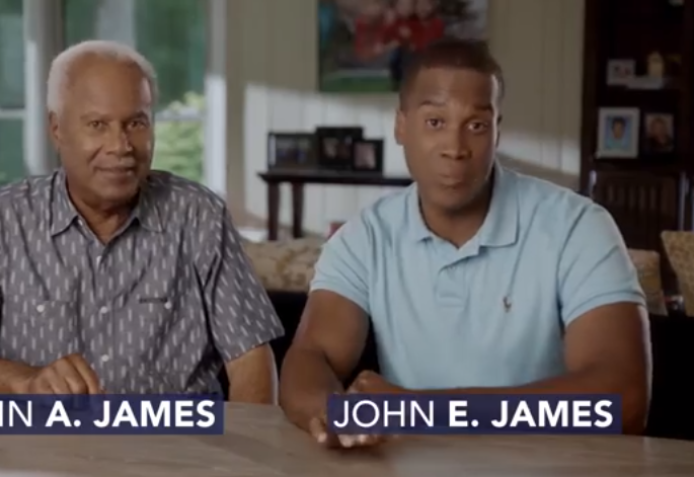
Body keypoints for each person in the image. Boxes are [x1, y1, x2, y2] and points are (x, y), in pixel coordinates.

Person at [279, 38, 651, 448]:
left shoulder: (579, 227)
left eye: (476, 126)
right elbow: (310, 358)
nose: (455, 149)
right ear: (401, 126)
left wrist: (426, 413)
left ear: (497, 132)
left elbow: (624, 402)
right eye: (435, 122)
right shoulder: (364, 238)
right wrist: (331, 413)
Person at [0, 40, 284, 402]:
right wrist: (26, 381)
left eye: (136, 123)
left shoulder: (200, 216)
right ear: (57, 129)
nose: (121, 146)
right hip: (43, 456)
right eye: (98, 125)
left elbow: (251, 360)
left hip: (178, 454)